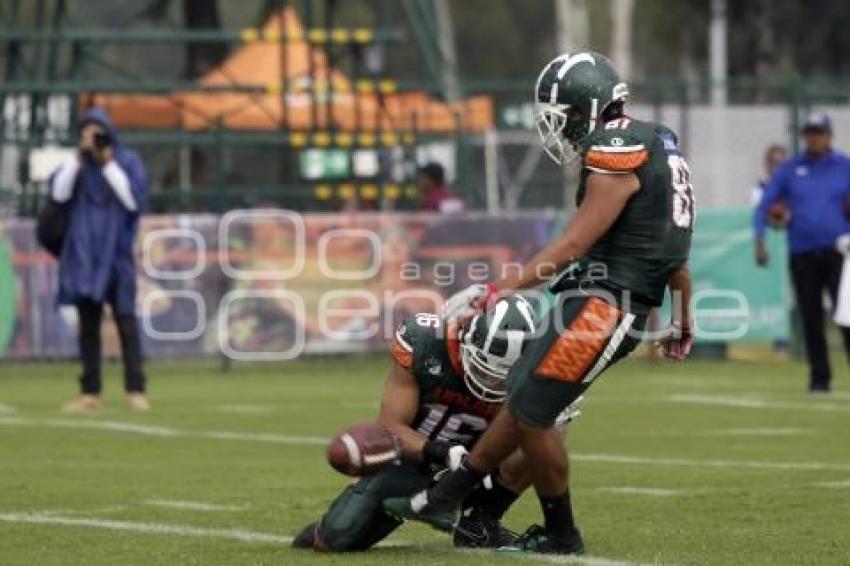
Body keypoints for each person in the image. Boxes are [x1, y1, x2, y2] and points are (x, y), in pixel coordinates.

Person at [384, 51, 694, 555]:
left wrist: (499, 288)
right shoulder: (656, 141)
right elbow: (673, 246)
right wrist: (684, 310)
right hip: (597, 298)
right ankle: (456, 497)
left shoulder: (614, 148)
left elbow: (572, 244)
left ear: (586, 107)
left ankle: (560, 534)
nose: (563, 131)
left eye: (564, 117)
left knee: (533, 412)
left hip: (607, 304)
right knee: (527, 394)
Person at [292, 296, 583, 552]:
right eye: (487, 370)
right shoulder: (427, 341)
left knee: (541, 436)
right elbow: (390, 427)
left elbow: (550, 439)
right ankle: (325, 526)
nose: (493, 384)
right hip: (416, 458)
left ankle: (483, 522)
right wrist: (441, 452)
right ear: (467, 340)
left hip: (483, 466)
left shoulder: (545, 364)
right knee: (335, 539)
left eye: (502, 376)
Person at [49, 107, 150, 412]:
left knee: (126, 321)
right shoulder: (75, 165)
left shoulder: (126, 162)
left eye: (98, 133)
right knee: (88, 324)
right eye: (86, 132)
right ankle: (90, 391)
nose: (92, 139)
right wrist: (78, 160)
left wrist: (108, 163)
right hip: (84, 255)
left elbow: (133, 200)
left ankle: (135, 388)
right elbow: (59, 194)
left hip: (116, 255)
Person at [754, 112, 850, 393]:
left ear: (829, 136)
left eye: (818, 133)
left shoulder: (844, 166)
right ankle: (820, 379)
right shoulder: (790, 168)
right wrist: (760, 239)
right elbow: (765, 205)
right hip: (803, 252)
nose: (813, 138)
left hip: (839, 253)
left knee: (846, 314)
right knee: (810, 317)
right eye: (809, 132)